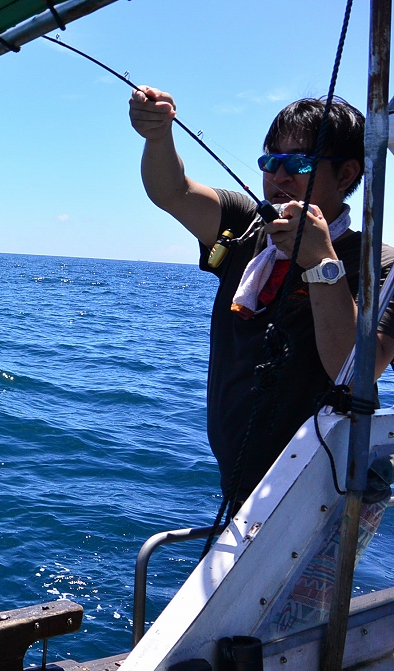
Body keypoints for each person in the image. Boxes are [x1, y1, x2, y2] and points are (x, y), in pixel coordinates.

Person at [128, 86, 393, 635]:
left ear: (346, 176)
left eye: (297, 163)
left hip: (321, 497)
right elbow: (172, 190)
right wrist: (158, 135)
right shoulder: (248, 230)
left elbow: (353, 369)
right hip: (243, 484)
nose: (278, 176)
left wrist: (321, 261)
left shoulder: (380, 267)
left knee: (282, 636)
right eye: (269, 161)